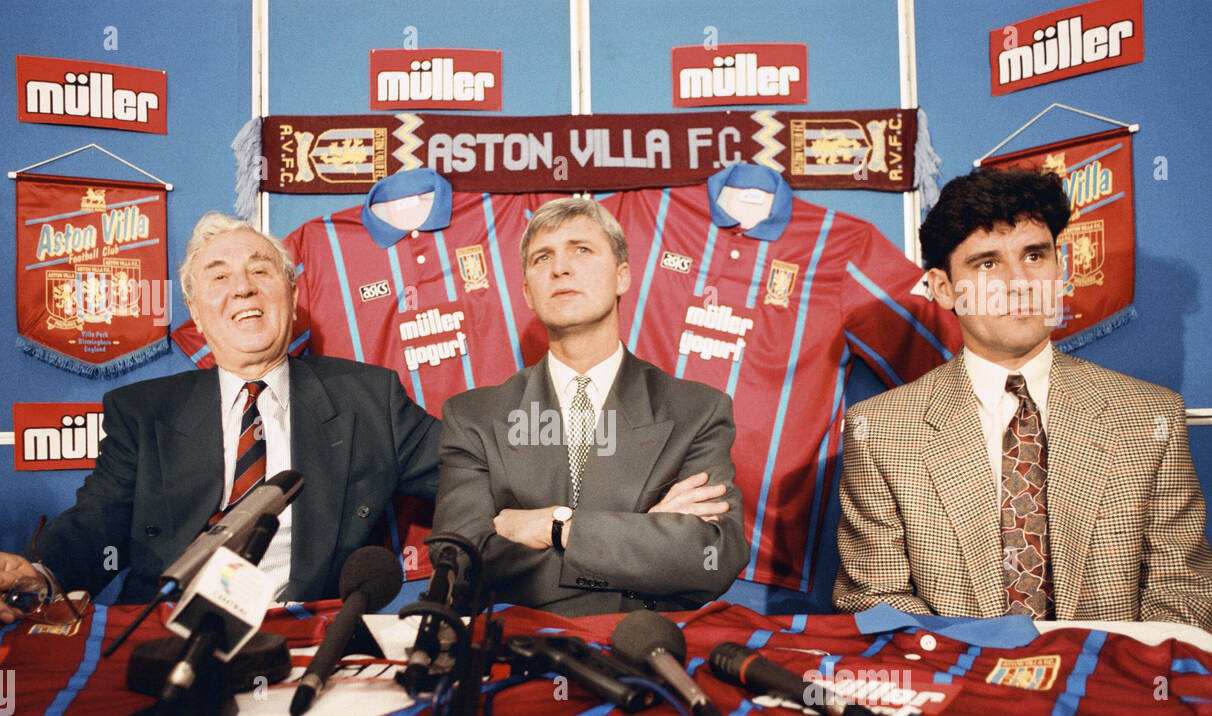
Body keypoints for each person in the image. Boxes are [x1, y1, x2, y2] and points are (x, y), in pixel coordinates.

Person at [0, 212, 440, 620]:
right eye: (219, 277)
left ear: (292, 297)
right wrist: (41, 574)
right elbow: (100, 521)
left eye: (262, 271)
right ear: (194, 308)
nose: (244, 289)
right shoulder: (143, 412)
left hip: (302, 631)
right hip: (166, 628)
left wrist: (516, 517)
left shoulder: (368, 397)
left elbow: (467, 469)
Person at [833, 167, 1212, 630]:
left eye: (1035, 256)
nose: (1020, 282)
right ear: (944, 289)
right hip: (960, 691)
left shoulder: (1149, 416)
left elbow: (1184, 592)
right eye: (987, 263)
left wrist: (1103, 678)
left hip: (1109, 688)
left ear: (1061, 269)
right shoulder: (882, 432)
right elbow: (876, 600)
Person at [432, 197, 748, 616]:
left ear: (622, 276)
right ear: (527, 292)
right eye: (542, 257)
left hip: (640, 655)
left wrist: (556, 527)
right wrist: (646, 545)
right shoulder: (473, 417)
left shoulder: (697, 411)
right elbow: (463, 564)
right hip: (517, 650)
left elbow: (710, 559)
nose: (560, 267)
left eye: (581, 249)